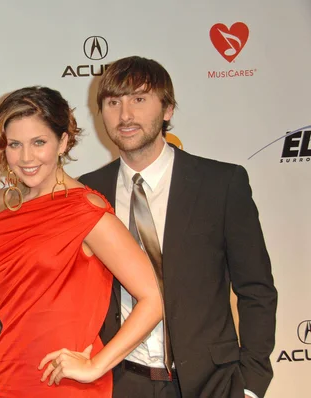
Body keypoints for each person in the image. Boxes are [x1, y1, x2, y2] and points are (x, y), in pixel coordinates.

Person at [79, 56, 278, 398]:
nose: (125, 115)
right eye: (113, 102)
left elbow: (256, 289)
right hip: (121, 382)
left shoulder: (221, 183)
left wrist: (251, 384)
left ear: (167, 109)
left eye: (139, 99)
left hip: (212, 383)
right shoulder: (89, 192)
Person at [0, 86, 163, 398]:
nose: (26, 158)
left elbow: (154, 299)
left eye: (39, 142)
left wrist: (96, 366)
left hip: (58, 383)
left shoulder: (84, 209)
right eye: (15, 144)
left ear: (63, 142)